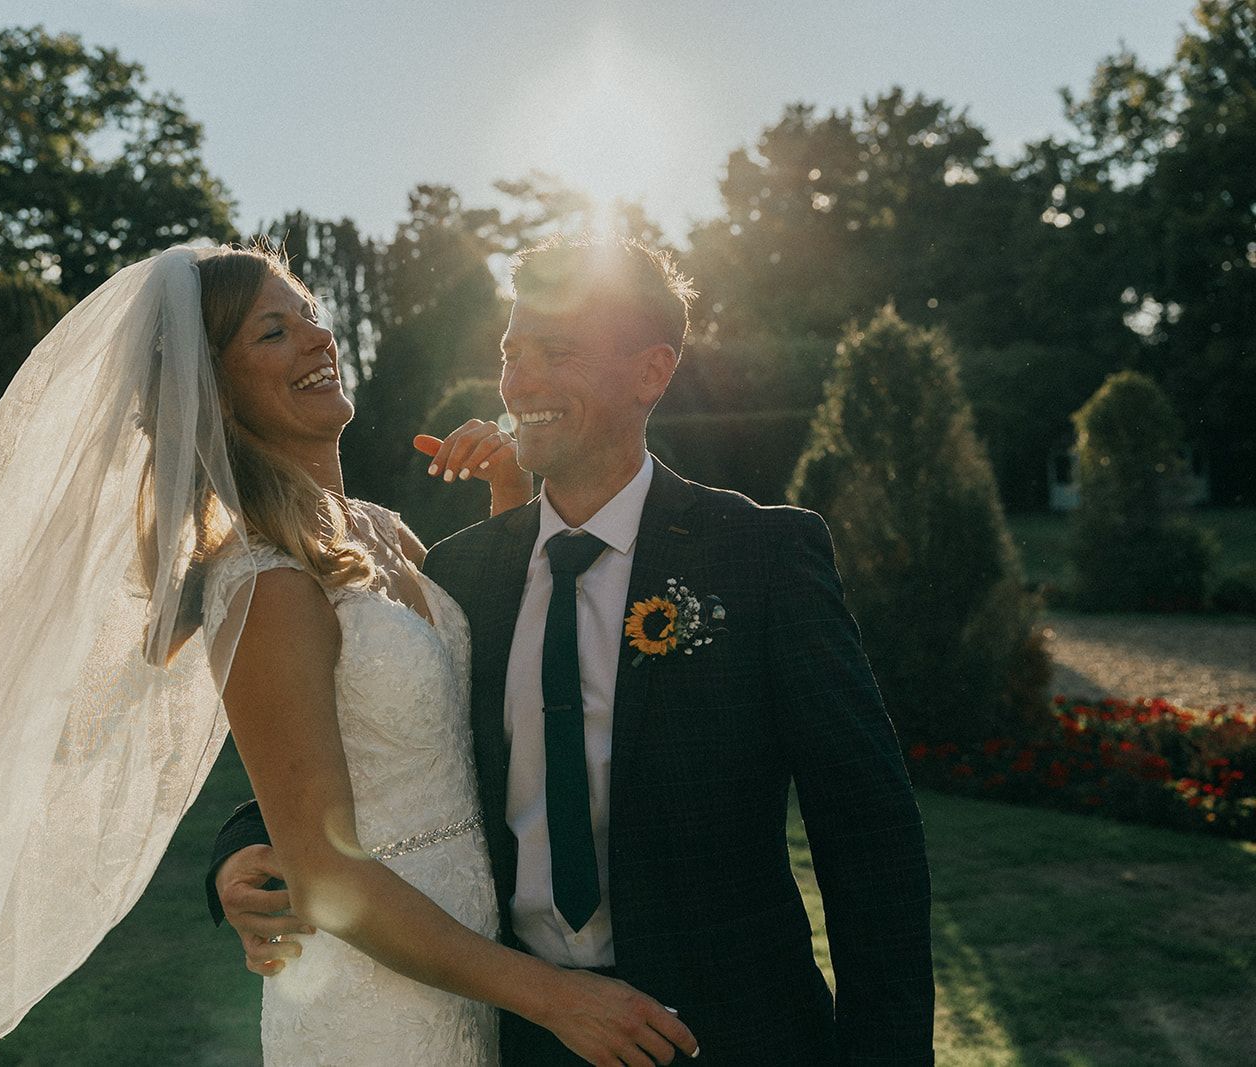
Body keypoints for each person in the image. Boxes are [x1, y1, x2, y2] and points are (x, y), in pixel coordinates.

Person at [0, 242, 696, 1067]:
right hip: (378, 1000)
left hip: (470, 977)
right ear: (213, 393)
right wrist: (552, 995)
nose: (317, 336)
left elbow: (465, 718)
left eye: (309, 314)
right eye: (274, 331)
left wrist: (502, 511)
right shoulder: (265, 584)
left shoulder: (387, 533)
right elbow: (325, 873)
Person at [210, 236, 936, 1064]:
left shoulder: (762, 557)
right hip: (520, 1034)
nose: (522, 382)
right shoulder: (465, 572)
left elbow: (868, 836)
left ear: (651, 373)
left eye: (558, 352)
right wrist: (237, 850)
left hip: (734, 1035)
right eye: (513, 353)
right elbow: (383, 746)